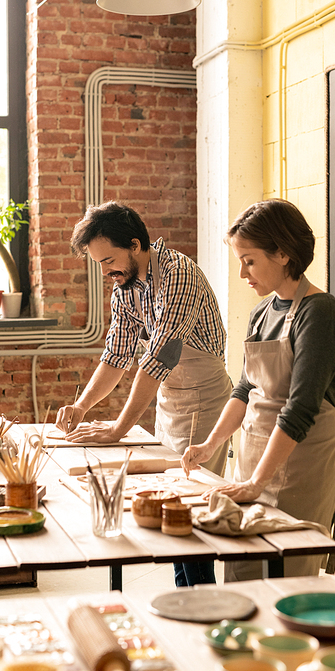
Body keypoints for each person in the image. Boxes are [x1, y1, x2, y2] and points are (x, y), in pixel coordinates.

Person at [56, 201, 233, 587]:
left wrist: (119, 428)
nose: (106, 272)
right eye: (99, 264)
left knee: (188, 510)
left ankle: (202, 600)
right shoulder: (127, 287)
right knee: (168, 509)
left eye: (109, 260)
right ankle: (186, 596)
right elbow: (116, 356)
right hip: (171, 398)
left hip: (205, 397)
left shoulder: (178, 274)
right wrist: (82, 405)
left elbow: (158, 357)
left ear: (135, 244)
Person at [181, 198, 335, 580]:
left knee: (287, 580)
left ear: (284, 253)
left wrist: (258, 481)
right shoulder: (262, 311)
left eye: (250, 260)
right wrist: (210, 445)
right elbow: (243, 389)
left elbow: (301, 408)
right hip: (251, 462)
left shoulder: (319, 313)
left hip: (302, 469)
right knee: (242, 572)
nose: (242, 273)